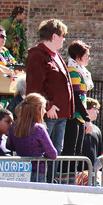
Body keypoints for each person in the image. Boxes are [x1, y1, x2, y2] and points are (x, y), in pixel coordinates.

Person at [25, 19, 73, 155]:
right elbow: (34, 88)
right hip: (48, 114)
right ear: (54, 36)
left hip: (60, 114)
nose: (64, 39)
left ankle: (50, 177)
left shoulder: (56, 55)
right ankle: (41, 177)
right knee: (43, 151)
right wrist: (48, 105)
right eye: (63, 35)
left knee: (56, 151)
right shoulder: (37, 55)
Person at [7, 93, 59, 180]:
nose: (45, 111)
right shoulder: (38, 129)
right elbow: (52, 154)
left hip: (21, 172)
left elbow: (9, 146)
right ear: (37, 109)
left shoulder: (14, 127)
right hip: (37, 172)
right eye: (43, 108)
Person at [63, 40, 94, 157]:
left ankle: (73, 175)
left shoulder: (80, 71)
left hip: (80, 116)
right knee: (70, 151)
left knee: (77, 152)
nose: (89, 58)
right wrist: (87, 118)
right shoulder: (73, 71)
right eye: (87, 55)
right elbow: (77, 97)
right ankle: (66, 176)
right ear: (78, 56)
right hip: (74, 116)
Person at [81, 99, 103, 167]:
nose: (97, 112)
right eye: (94, 109)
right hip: (77, 171)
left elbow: (99, 151)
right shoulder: (77, 127)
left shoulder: (96, 129)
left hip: (92, 170)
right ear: (86, 110)